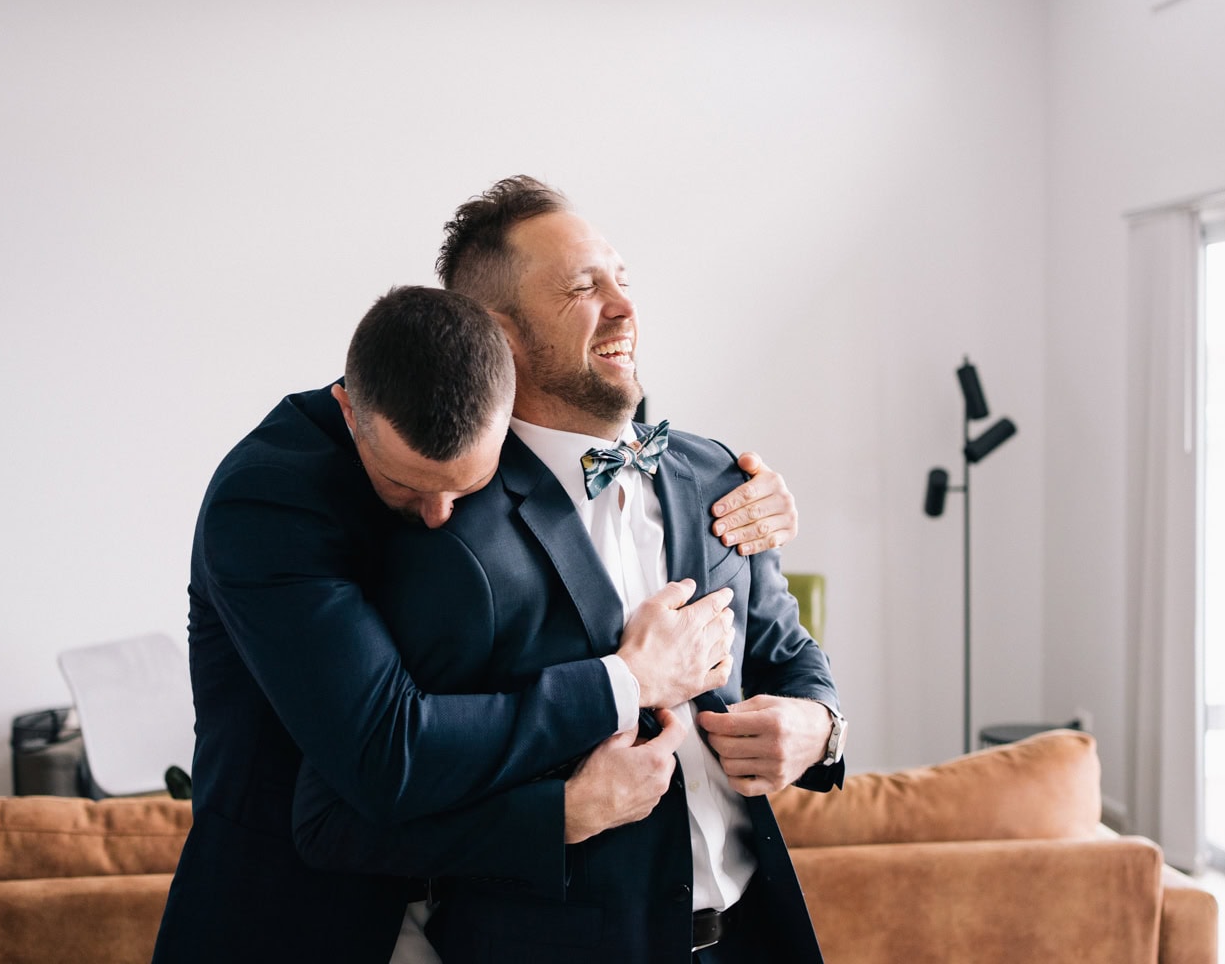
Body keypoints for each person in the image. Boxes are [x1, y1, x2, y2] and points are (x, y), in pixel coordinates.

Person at [151, 284, 800, 962]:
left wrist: (738, 487)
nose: (439, 514)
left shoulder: (478, 413)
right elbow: (386, 747)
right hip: (294, 918)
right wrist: (627, 683)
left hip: (456, 916)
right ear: (350, 411)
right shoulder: (267, 501)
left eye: (466, 486)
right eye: (405, 486)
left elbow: (608, 444)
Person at [292, 178, 845, 964]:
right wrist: (560, 814)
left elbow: (789, 655)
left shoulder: (723, 477)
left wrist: (820, 728)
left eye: (623, 279)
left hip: (754, 938)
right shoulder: (443, 539)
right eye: (585, 288)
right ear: (499, 334)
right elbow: (347, 812)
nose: (625, 308)